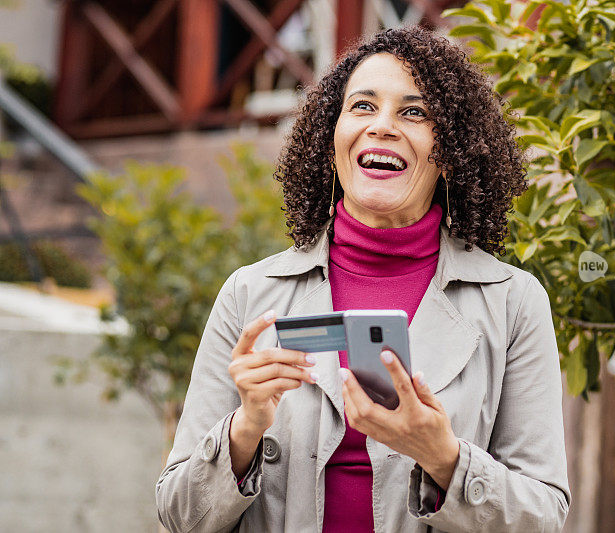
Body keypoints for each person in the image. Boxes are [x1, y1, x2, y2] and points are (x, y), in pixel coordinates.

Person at [156, 26, 570, 533]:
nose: (383, 127)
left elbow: (543, 518)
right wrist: (245, 432)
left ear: (451, 155)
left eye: (414, 112)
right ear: (331, 143)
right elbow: (179, 516)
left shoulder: (514, 304)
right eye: (363, 106)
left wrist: (443, 457)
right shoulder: (249, 293)